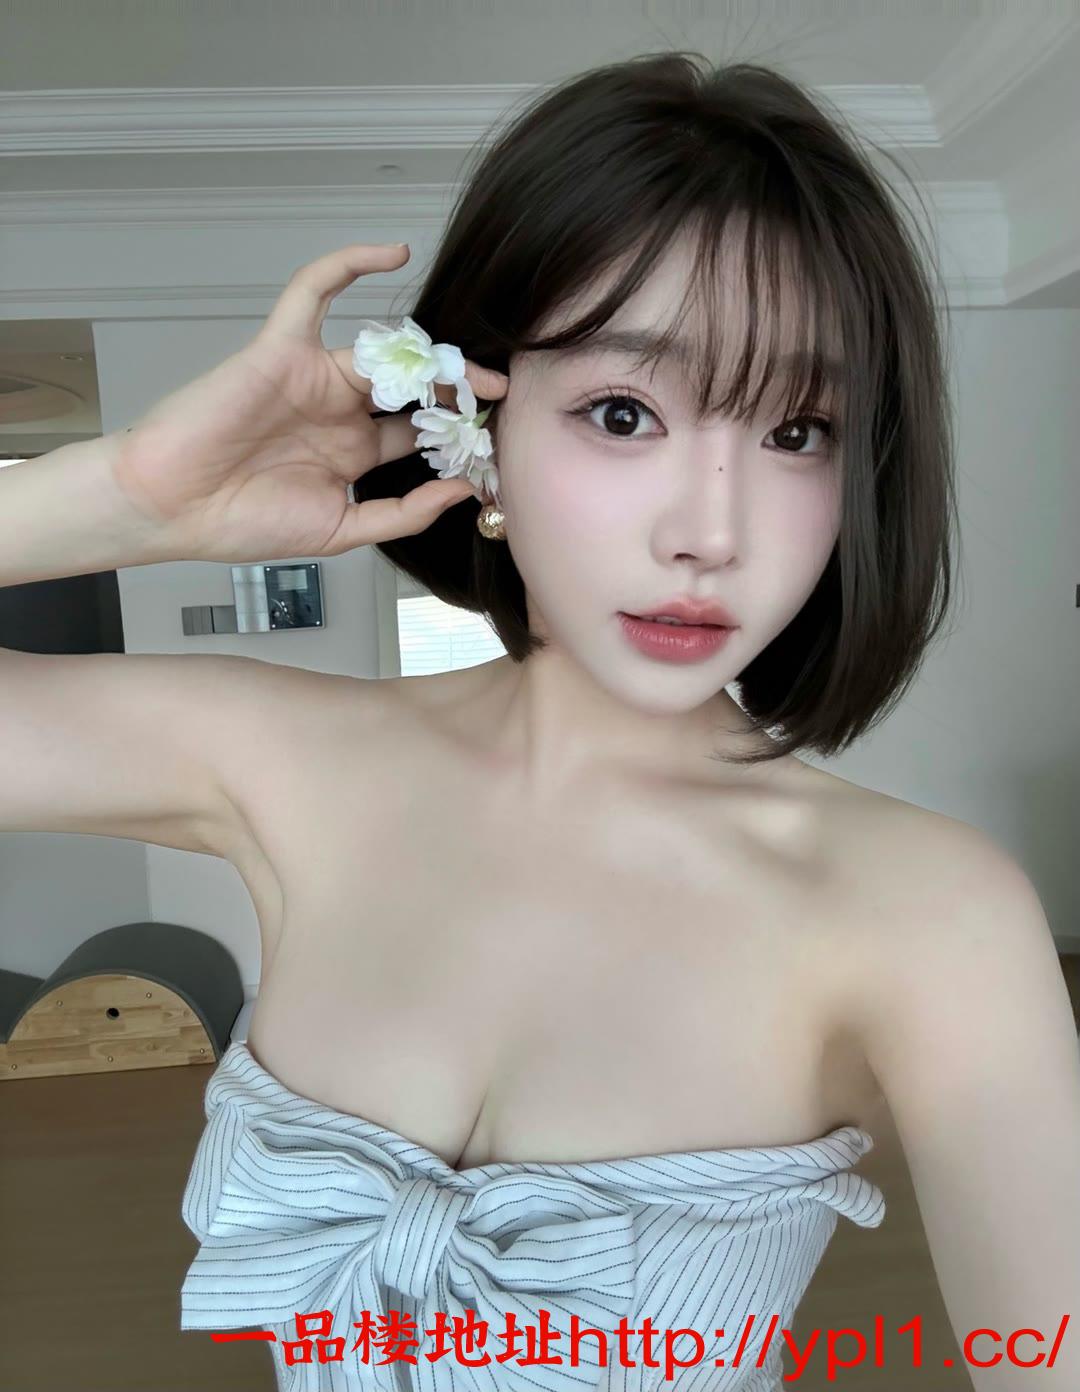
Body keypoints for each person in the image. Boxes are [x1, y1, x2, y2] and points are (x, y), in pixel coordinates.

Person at [2, 50, 1078, 1392]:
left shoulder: (930, 915)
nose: (710, 533)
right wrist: (127, 495)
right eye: (624, 413)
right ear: (481, 427)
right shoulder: (284, 764)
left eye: (800, 432)